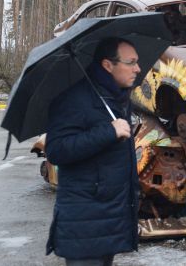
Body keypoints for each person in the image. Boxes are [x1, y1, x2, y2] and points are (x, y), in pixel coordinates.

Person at [45, 37, 141, 265]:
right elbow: (57, 150)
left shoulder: (115, 99)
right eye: (131, 62)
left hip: (108, 219)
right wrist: (108, 132)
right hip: (84, 224)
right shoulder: (74, 99)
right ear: (108, 65)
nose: (138, 68)